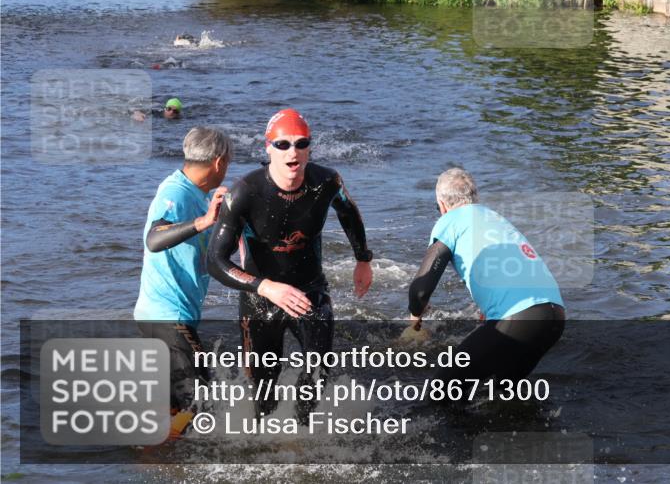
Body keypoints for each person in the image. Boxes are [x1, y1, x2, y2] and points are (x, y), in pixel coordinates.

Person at [208, 108, 374, 420]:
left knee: (319, 373)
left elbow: (349, 212)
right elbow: (215, 261)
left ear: (310, 148)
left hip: (310, 291)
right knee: (263, 395)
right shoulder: (245, 193)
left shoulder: (326, 182)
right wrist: (266, 287)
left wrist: (363, 260)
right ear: (268, 148)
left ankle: (300, 436)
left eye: (301, 143)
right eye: (283, 145)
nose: (292, 152)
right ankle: (265, 443)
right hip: (260, 299)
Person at [408, 168, 565, 384]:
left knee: (440, 392)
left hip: (520, 317)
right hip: (556, 316)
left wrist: (415, 317)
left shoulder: (450, 220)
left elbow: (421, 288)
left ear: (443, 205)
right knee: (497, 394)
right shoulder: (494, 218)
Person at [134, 127, 232, 429]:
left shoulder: (195, 194)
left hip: (163, 318)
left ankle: (151, 466)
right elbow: (154, 238)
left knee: (174, 409)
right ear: (219, 163)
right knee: (203, 408)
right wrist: (204, 221)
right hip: (168, 319)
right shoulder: (175, 193)